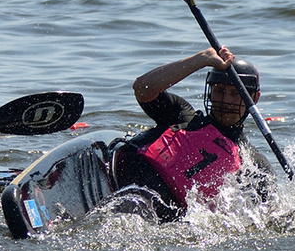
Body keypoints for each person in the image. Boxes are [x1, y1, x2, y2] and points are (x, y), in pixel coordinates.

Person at [112, 46, 272, 219]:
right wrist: (201, 59)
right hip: (122, 184)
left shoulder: (253, 163)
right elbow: (142, 88)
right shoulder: (182, 116)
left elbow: (270, 214)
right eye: (219, 91)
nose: (226, 101)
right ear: (210, 92)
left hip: (161, 223)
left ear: (254, 98)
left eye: (235, 94)